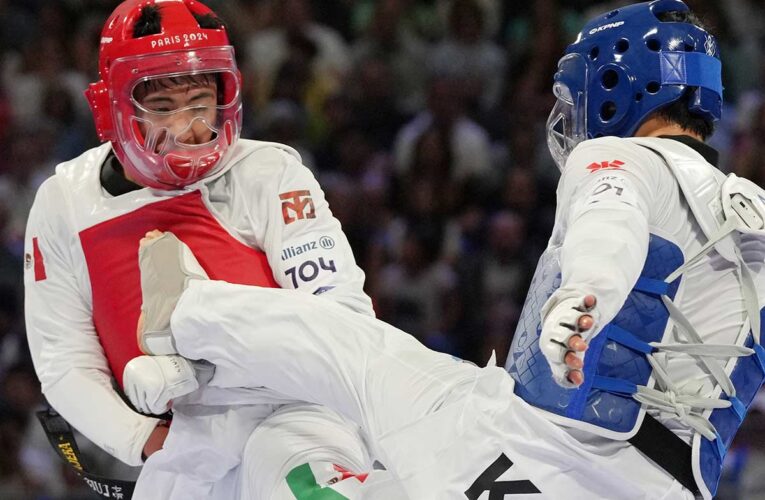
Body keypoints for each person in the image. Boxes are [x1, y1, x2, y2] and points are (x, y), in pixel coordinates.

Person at [123, 1, 765, 499]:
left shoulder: (618, 155)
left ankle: (186, 310)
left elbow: (611, 225)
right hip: (660, 486)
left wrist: (584, 290)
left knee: (349, 356)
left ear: (617, 89)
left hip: (540, 451)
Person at [23, 1, 384, 498]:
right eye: (164, 109)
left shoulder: (267, 173)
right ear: (111, 109)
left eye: (200, 103)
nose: (189, 128)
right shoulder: (64, 202)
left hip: (295, 417)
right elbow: (64, 363)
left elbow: (342, 315)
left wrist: (216, 340)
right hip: (182, 454)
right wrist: (145, 440)